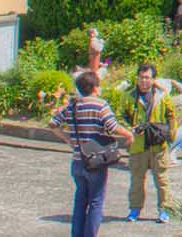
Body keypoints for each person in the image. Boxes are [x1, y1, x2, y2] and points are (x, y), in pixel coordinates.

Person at [50, 71, 132, 237]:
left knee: (80, 201)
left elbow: (52, 123)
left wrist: (68, 139)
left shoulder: (72, 106)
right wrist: (129, 134)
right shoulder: (100, 105)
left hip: (78, 160)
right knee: (95, 201)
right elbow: (112, 126)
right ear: (95, 87)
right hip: (95, 160)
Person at [124, 63, 179, 224]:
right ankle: (134, 209)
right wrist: (131, 130)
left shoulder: (162, 96)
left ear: (153, 79)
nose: (143, 81)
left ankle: (164, 210)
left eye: (147, 77)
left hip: (157, 144)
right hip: (138, 145)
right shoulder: (129, 96)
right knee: (136, 180)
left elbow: (171, 116)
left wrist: (170, 134)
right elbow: (122, 116)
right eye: (141, 77)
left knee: (162, 179)